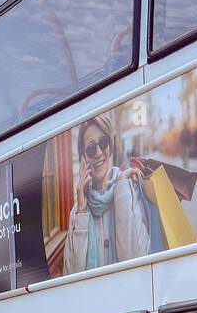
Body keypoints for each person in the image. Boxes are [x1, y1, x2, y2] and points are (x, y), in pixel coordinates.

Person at [64, 114, 150, 276]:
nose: (98, 153)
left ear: (110, 147)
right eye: (90, 148)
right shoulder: (77, 213)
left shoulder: (130, 192)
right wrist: (82, 213)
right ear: (83, 157)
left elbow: (137, 261)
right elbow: (71, 275)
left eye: (103, 143)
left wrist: (121, 191)